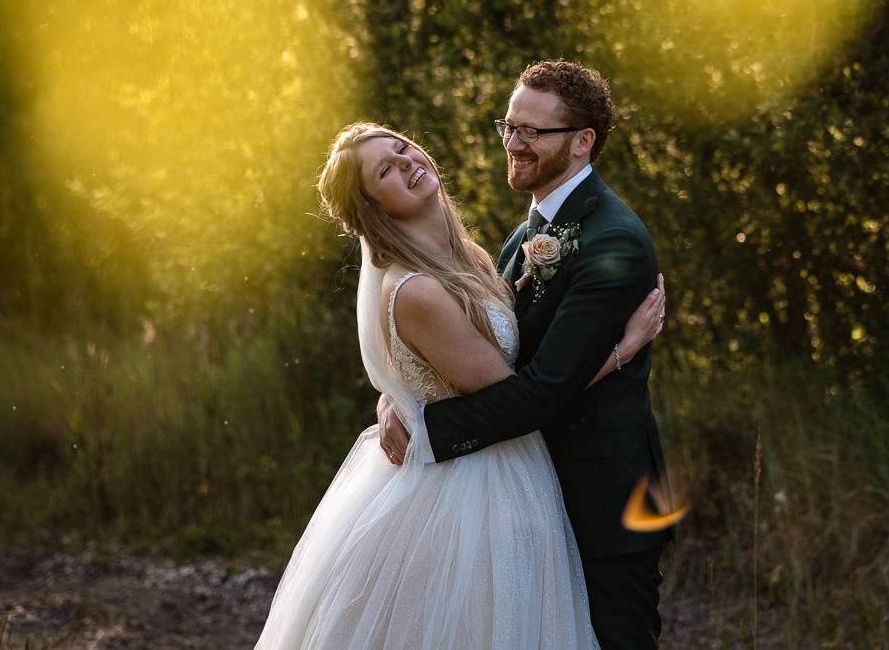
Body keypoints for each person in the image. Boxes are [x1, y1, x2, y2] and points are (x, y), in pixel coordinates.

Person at [252, 122, 665, 650]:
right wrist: (620, 352)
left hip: (516, 469)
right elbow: (520, 396)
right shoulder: (418, 289)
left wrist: (399, 394)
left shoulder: (471, 256)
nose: (405, 163)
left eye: (402, 148)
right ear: (373, 207)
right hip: (474, 492)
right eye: (385, 169)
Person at [381, 59, 675, 650]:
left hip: (601, 503)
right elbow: (470, 346)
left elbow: (542, 390)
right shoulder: (526, 233)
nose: (514, 144)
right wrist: (397, 392)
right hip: (525, 495)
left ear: (582, 141)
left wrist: (426, 429)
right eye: (509, 127)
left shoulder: (611, 240)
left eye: (532, 132)